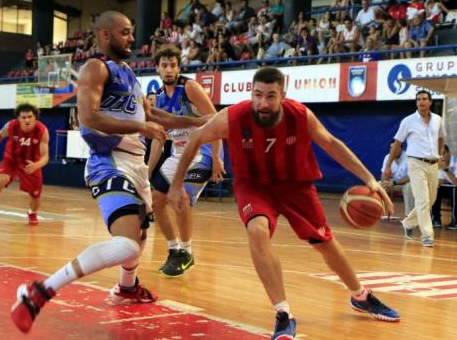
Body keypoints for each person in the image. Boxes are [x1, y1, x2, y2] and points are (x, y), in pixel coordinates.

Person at [166, 67, 400, 339]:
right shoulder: (233, 116)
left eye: (270, 96)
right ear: (250, 93)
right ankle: (283, 314)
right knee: (257, 230)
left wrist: (370, 180)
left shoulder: (299, 115)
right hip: (253, 185)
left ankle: (360, 295)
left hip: (295, 186)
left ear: (283, 96)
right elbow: (196, 137)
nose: (262, 103)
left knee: (325, 242)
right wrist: (175, 185)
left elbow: (332, 144)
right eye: (257, 95)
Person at [9, 11, 206, 333]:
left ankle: (127, 287)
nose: (132, 38)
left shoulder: (128, 72)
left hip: (136, 164)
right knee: (126, 244)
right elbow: (89, 118)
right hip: (108, 160)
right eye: (125, 32)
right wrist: (141, 125)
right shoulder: (94, 68)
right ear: (105, 36)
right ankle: (40, 291)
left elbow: (154, 114)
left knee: (139, 238)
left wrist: (199, 122)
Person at [148, 45, 225, 277]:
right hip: (179, 155)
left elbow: (216, 120)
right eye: (164, 65)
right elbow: (159, 140)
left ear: (179, 68)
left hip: (203, 153)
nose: (169, 69)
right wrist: (146, 172)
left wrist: (217, 159)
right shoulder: (159, 98)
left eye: (173, 65)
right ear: (158, 69)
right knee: (155, 200)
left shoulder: (190, 87)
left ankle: (188, 252)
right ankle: (175, 251)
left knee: (179, 196)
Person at [0, 103, 50, 231]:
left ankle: (32, 213)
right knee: (0, 181)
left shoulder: (42, 131)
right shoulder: (11, 126)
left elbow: (45, 157)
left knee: (35, 195)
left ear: (35, 118)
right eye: (23, 117)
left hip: (31, 164)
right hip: (11, 160)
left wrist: (37, 165)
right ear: (18, 118)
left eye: (30, 117)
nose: (27, 120)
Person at [384, 90, 445, 247]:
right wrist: (388, 165)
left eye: (424, 99)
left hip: (433, 164)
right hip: (415, 163)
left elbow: (441, 137)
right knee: (422, 200)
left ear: (430, 102)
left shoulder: (438, 119)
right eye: (418, 99)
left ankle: (408, 223)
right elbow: (397, 143)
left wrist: (440, 155)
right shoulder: (408, 121)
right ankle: (427, 236)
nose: (421, 102)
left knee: (430, 200)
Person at [380, 140, 414, 218]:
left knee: (409, 186)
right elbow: (382, 175)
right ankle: (377, 211)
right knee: (378, 185)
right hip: (391, 183)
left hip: (404, 184)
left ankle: (409, 216)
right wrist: (384, 181)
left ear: (401, 149)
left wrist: (394, 182)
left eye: (396, 148)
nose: (393, 150)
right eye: (391, 148)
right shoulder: (388, 157)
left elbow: (410, 178)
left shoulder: (409, 157)